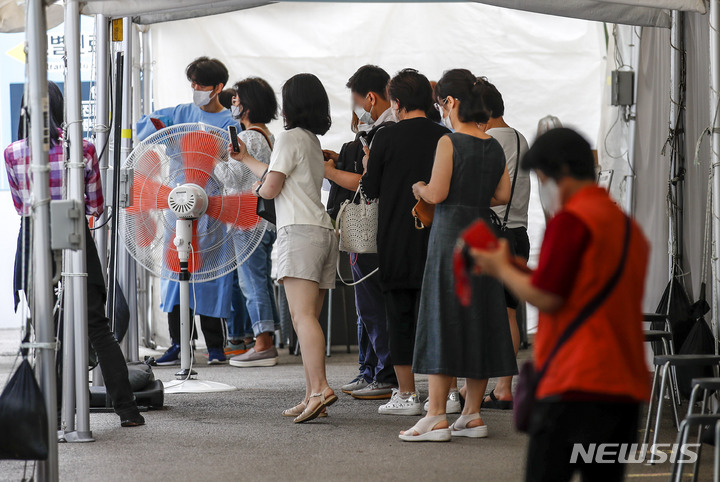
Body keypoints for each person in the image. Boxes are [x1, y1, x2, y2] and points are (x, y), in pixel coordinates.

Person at [472, 128, 650, 481]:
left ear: (562, 173)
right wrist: (519, 267)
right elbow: (583, 284)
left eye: (543, 178)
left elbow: (547, 296)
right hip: (623, 386)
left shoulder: (571, 221)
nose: (545, 189)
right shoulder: (625, 225)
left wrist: (498, 269)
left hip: (575, 382)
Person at [4, 81, 144, 427]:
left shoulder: (13, 152)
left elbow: (21, 205)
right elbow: (95, 205)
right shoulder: (82, 148)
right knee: (97, 325)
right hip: (75, 235)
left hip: (35, 239)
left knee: (44, 333)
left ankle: (55, 414)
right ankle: (127, 410)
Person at [400, 69, 516, 442]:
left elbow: (436, 192)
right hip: (483, 236)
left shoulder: (449, 143)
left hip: (451, 236)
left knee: (442, 317)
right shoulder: (494, 145)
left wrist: (418, 186)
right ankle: (472, 415)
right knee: (480, 318)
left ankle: (435, 415)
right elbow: (502, 196)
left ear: (451, 102)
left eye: (441, 104)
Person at [229, 73, 338, 423]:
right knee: (307, 318)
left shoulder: (290, 137)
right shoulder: (307, 139)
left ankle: (320, 389)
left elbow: (271, 187)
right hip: (321, 230)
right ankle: (311, 394)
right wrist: (246, 159)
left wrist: (259, 188)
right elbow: (277, 173)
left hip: (300, 232)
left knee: (301, 317)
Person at [137, 56, 240, 365]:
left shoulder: (229, 122)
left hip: (211, 206)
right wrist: (165, 134)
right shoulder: (181, 113)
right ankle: (178, 345)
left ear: (218, 87)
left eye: (201, 84)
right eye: (192, 83)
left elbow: (236, 163)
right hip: (177, 203)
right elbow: (147, 127)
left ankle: (215, 346)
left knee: (211, 277)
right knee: (174, 275)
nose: (195, 89)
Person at [360, 69, 450, 415]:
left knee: (399, 315)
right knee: (441, 315)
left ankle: (408, 395)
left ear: (396, 103)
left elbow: (371, 189)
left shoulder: (385, 137)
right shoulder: (445, 136)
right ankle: (450, 395)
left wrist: (369, 162)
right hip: (438, 236)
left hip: (397, 236)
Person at [324, 65, 397, 400]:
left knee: (372, 303)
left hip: (372, 226)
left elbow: (369, 183)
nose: (356, 112)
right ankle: (370, 369)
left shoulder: (387, 131)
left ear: (370, 97)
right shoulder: (377, 131)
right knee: (366, 302)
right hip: (370, 227)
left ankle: (384, 373)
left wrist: (330, 172)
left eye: (356, 102)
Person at [218, 76, 282, 367]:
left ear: (247, 104)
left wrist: (216, 160)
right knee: (260, 281)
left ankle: (262, 342)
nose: (232, 102)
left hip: (246, 220)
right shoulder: (266, 135)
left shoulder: (247, 138)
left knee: (251, 283)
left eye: (236, 98)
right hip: (263, 220)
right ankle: (265, 337)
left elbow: (235, 177)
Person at [477, 78, 531, 410]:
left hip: (494, 233)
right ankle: (504, 387)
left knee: (492, 314)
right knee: (509, 312)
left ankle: (494, 386)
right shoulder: (521, 138)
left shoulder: (487, 141)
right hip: (519, 233)